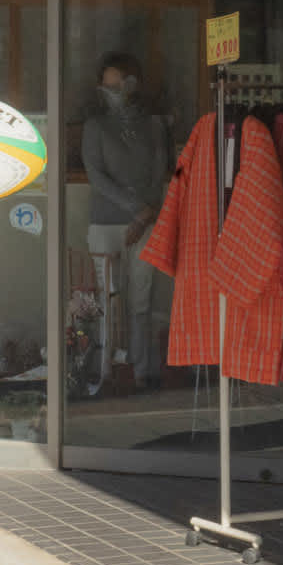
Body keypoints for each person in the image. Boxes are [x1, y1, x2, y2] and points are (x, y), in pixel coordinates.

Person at [80, 51, 170, 391]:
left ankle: (141, 371)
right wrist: (138, 210)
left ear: (133, 83)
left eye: (116, 84)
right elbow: (96, 176)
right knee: (107, 301)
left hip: (145, 223)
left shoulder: (154, 125)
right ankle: (104, 371)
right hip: (106, 222)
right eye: (106, 85)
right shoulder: (95, 126)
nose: (111, 91)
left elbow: (159, 173)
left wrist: (145, 215)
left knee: (141, 301)